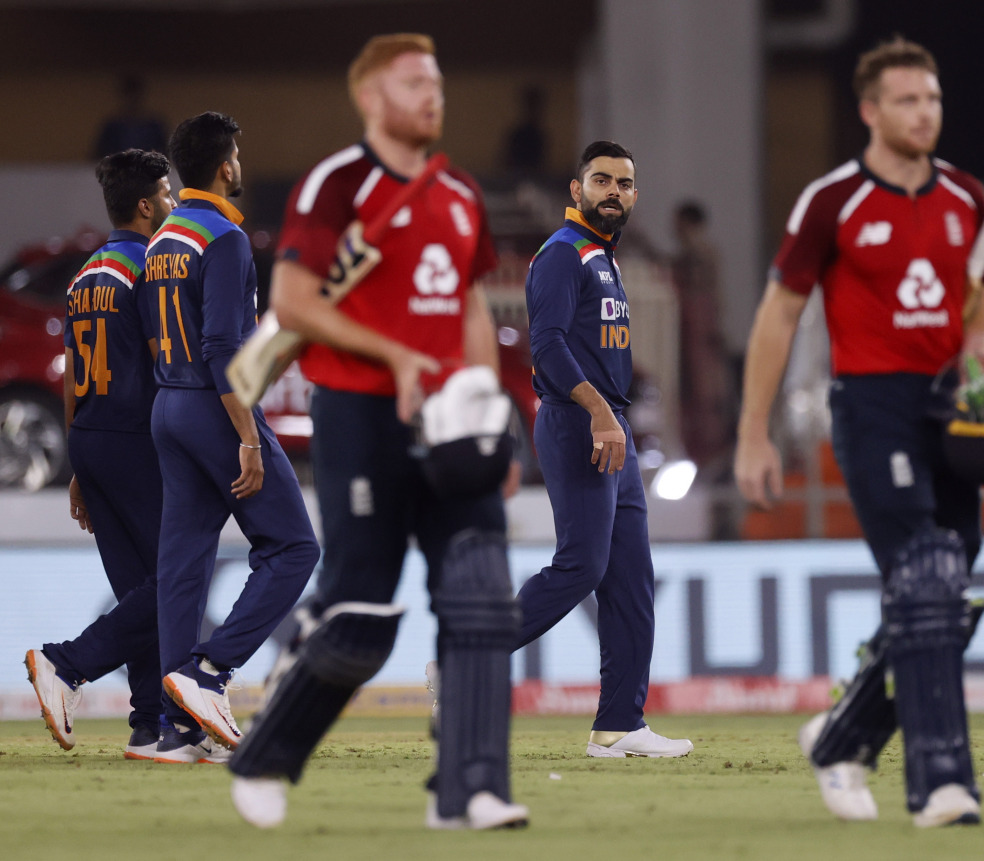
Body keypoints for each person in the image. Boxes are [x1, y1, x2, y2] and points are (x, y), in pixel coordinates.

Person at [225, 34, 528, 832]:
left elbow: (469, 305)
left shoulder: (459, 190)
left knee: (482, 599)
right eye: (413, 82)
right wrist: (392, 354)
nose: (432, 95)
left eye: (437, 82)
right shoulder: (337, 182)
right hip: (360, 413)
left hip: (447, 421)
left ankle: (470, 788)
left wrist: (487, 413)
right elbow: (292, 301)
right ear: (369, 97)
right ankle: (265, 755)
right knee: (360, 616)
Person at [734, 37, 984, 828]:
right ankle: (943, 782)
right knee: (924, 570)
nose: (925, 113)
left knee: (948, 573)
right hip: (871, 403)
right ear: (870, 111)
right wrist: (753, 431)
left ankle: (842, 734)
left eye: (933, 98)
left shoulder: (966, 195)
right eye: (908, 100)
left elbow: (982, 293)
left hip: (949, 403)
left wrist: (983, 343)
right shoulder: (833, 200)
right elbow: (778, 314)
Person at [146, 112, 320, 761]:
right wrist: (247, 436)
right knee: (294, 547)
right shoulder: (224, 236)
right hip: (214, 410)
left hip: (168, 404)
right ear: (226, 165)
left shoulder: (164, 236)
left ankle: (177, 729)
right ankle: (209, 672)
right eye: (237, 155)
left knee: (182, 566)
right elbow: (222, 346)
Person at [516, 140, 693, 759]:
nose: (613, 191)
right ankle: (464, 653)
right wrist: (598, 412)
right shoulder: (563, 254)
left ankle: (620, 724)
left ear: (635, 195)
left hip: (609, 427)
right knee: (582, 566)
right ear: (577, 189)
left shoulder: (602, 257)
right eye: (601, 180)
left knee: (630, 580)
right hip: (579, 424)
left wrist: (613, 417)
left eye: (623, 183)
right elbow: (546, 345)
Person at [25, 149, 187, 762]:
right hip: (136, 438)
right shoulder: (151, 268)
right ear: (145, 206)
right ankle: (67, 664)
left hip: (93, 437)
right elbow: (165, 360)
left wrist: (77, 463)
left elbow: (73, 376)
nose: (174, 201)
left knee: (140, 588)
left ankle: (148, 723)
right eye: (166, 194)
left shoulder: (86, 274)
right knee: (176, 578)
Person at [671, 201, 734, 467]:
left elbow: (714, 295)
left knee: (708, 394)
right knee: (692, 394)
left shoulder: (703, 254)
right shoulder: (688, 256)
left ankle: (712, 454)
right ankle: (698, 453)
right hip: (689, 333)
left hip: (702, 332)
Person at [93, 76, 168, 159]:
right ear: (123, 96)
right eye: (129, 96)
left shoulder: (154, 127)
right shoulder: (112, 128)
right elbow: (99, 154)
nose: (132, 100)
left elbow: (165, 153)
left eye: (135, 96)